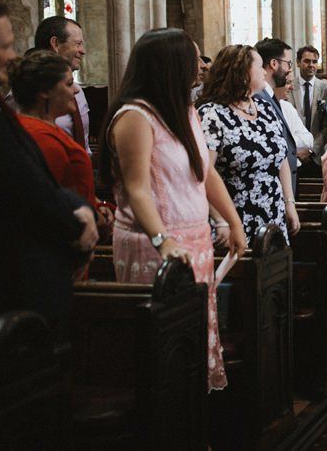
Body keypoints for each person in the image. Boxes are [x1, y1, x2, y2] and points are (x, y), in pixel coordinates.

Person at [100, 28, 246, 392]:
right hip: (154, 246)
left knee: (191, 346)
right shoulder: (135, 116)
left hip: (194, 242)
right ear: (168, 65)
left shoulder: (185, 110)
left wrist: (234, 222)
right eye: (192, 58)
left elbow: (205, 171)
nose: (200, 66)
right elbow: (137, 188)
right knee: (163, 350)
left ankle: (192, 431)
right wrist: (162, 241)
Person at [0, 0, 98, 341]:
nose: (12, 56)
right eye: (5, 46)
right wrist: (76, 221)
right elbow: (21, 186)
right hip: (2, 287)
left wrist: (78, 207)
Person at [198, 44, 300, 244]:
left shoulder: (265, 108)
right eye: (259, 66)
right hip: (235, 217)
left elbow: (281, 159)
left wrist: (289, 204)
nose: (264, 72)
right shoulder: (212, 114)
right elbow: (204, 172)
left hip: (273, 215)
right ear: (242, 73)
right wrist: (221, 221)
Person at [9, 51, 100, 213]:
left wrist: (98, 206)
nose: (76, 90)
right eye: (69, 83)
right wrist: (95, 218)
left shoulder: (43, 129)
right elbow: (52, 204)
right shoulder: (41, 139)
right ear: (45, 91)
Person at [34, 16, 90, 153]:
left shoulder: (78, 92)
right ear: (56, 44)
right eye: (77, 44)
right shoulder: (27, 92)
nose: (83, 51)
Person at [254, 38, 298, 198]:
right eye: (288, 63)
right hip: (272, 189)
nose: (289, 70)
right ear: (274, 64)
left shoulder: (269, 96)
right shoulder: (260, 98)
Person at [286, 45, 327, 179]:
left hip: (317, 156)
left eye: (314, 61)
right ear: (298, 62)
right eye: (307, 61)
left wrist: (311, 150)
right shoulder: (288, 87)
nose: (311, 65)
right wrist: (296, 149)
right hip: (292, 154)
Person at [275, 71, 314, 160]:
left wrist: (288, 143)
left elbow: (308, 139)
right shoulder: (262, 107)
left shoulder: (288, 107)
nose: (292, 87)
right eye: (288, 83)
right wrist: (293, 143)